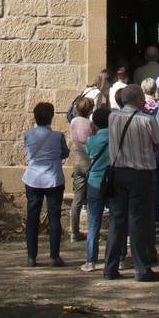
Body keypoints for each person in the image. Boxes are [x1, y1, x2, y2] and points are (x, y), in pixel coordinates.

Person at [104, 84, 159, 282]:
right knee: (138, 221)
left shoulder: (112, 117)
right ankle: (142, 268)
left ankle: (110, 267)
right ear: (139, 99)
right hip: (141, 174)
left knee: (117, 220)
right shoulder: (146, 120)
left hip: (118, 173)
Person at [22, 101, 69, 268]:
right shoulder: (58, 136)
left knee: (32, 218)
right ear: (51, 117)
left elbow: (27, 150)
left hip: (33, 179)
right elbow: (65, 152)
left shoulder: (28, 134)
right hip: (53, 178)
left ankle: (31, 257)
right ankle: (54, 256)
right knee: (54, 217)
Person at [82, 105, 111, 273]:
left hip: (95, 182)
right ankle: (119, 256)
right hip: (112, 181)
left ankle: (91, 260)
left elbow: (88, 152)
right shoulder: (116, 138)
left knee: (94, 222)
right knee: (116, 220)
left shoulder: (92, 140)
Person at [69, 94, 96, 242]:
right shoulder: (90, 124)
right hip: (90, 161)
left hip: (78, 160)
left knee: (77, 199)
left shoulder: (73, 122)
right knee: (92, 198)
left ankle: (74, 231)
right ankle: (92, 231)